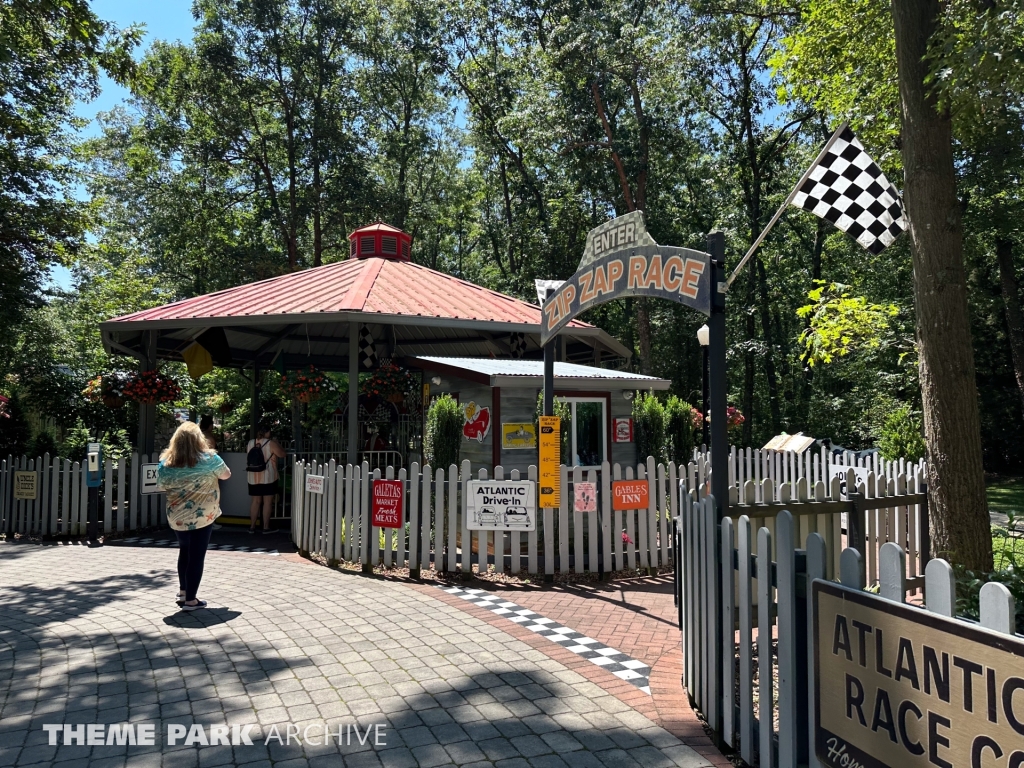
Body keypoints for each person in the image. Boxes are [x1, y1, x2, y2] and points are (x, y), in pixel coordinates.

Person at [157, 421, 231, 611]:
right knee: (197, 556)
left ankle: (183, 591)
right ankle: (191, 600)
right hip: (203, 516)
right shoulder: (210, 459)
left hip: (177, 516)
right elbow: (226, 475)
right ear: (199, 439)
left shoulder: (166, 463)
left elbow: (161, 485)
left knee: (184, 551)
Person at [246, 423, 286, 534]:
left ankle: (252, 527)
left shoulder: (250, 443)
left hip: (253, 476)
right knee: (267, 502)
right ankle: (266, 527)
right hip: (268, 476)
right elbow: (282, 454)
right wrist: (277, 443)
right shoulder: (271, 443)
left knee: (255, 501)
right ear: (268, 432)